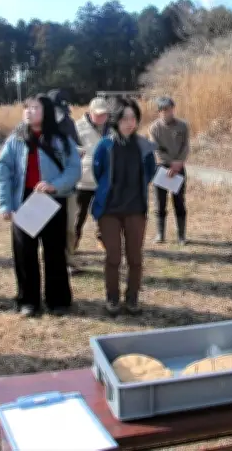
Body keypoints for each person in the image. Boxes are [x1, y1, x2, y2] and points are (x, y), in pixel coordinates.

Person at [0, 94, 81, 317]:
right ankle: (28, 301)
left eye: (35, 107)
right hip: (24, 202)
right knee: (25, 253)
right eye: (27, 107)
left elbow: (74, 169)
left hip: (52, 201)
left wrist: (55, 185)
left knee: (54, 252)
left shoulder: (61, 139)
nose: (29, 111)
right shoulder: (15, 139)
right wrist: (5, 203)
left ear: (47, 112)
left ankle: (58, 300)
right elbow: (3, 172)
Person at [92, 97, 157, 317]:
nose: (130, 123)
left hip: (136, 209)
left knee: (135, 257)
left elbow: (150, 171)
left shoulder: (144, 146)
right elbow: (97, 171)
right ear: (115, 120)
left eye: (133, 118)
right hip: (109, 210)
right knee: (113, 257)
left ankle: (132, 298)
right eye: (124, 118)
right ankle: (112, 298)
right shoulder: (105, 145)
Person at [46, 88, 82, 272]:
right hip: (44, 187)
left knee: (68, 227)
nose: (60, 113)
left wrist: (77, 153)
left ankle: (68, 260)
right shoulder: (38, 126)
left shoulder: (69, 123)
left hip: (67, 187)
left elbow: (76, 149)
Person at [149, 96, 190, 245]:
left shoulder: (183, 126)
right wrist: (169, 163)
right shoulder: (154, 128)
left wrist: (178, 163)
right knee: (160, 202)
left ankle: (181, 235)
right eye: (165, 110)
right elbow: (157, 150)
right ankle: (160, 234)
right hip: (161, 168)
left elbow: (186, 146)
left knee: (179, 201)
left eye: (171, 109)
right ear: (159, 111)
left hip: (179, 166)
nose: (169, 113)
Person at [74, 97, 110, 250]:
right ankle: (73, 240)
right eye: (98, 114)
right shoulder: (78, 126)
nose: (102, 117)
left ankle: (102, 238)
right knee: (79, 213)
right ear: (90, 112)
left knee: (104, 212)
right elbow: (70, 148)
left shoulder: (112, 128)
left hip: (104, 178)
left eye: (104, 114)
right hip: (84, 178)